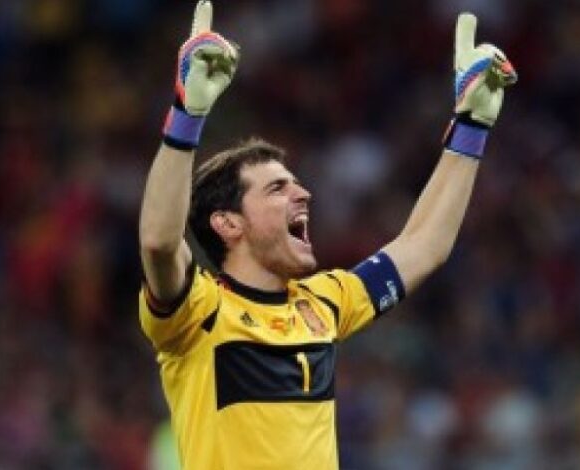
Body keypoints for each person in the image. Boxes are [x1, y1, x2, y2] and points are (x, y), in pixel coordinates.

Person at [138, 1, 516, 469]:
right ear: (228, 223)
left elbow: (424, 247)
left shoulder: (323, 303)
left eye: (296, 183)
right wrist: (187, 113)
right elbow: (159, 240)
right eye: (277, 188)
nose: (303, 194)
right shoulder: (198, 311)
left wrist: (472, 127)